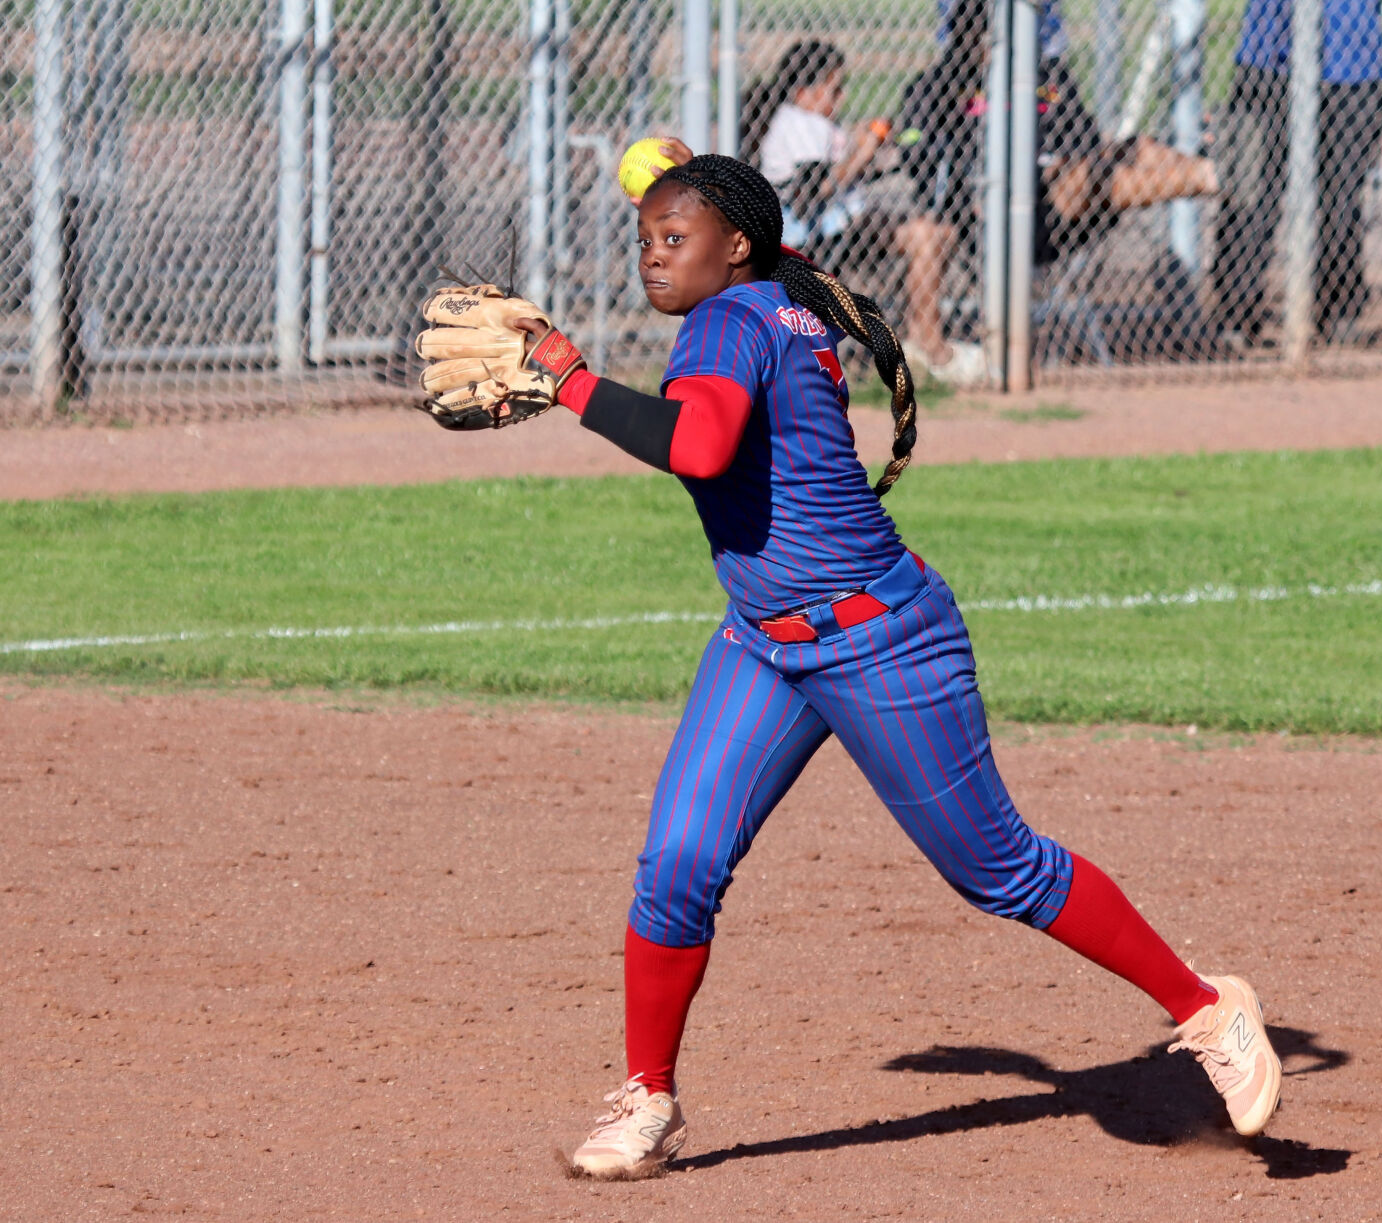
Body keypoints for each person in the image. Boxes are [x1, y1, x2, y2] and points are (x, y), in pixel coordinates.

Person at [413, 154, 1282, 1181]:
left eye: (674, 236)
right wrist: (692, 214)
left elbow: (697, 446)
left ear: (734, 247)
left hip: (882, 642)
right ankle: (647, 1092)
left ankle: (1204, 1005)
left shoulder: (731, 323)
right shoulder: (776, 294)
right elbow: (739, 340)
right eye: (643, 237)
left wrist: (569, 377)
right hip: (763, 644)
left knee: (998, 869)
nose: (651, 254)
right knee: (679, 862)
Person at [896, 0, 1218, 377]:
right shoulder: (936, 86)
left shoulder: (1044, 78)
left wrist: (1052, 161)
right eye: (974, 34)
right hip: (982, 220)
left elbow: (1085, 140)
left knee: (1128, 149)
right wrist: (968, 188)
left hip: (1058, 211)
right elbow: (916, 153)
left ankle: (1213, 172)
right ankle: (1211, 177)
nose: (982, 43)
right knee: (1092, 176)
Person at [1209, 0, 1382, 347]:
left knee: (1341, 203)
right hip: (1266, 64)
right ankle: (1235, 314)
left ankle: (1339, 310)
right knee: (1249, 195)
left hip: (1350, 66)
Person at [741, 40, 891, 252]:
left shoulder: (797, 120)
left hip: (826, 228)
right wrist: (861, 155)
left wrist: (857, 145)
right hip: (809, 236)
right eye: (836, 90)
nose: (843, 96)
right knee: (919, 234)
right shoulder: (802, 123)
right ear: (803, 94)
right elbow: (812, 191)